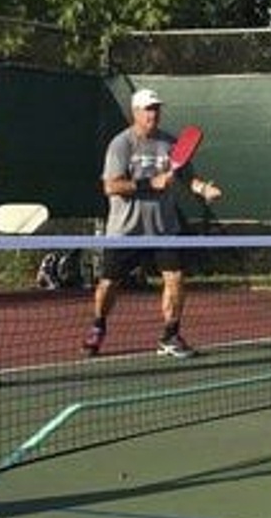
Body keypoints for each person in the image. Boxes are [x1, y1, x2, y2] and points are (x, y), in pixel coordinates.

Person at [82, 88, 222, 358]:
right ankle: (98, 325)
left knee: (176, 278)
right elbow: (111, 186)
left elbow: (187, 178)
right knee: (108, 285)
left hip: (163, 228)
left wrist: (203, 189)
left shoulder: (171, 143)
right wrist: (150, 183)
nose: (153, 114)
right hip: (125, 230)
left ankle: (170, 335)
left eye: (156, 108)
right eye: (147, 109)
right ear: (135, 113)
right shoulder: (121, 144)